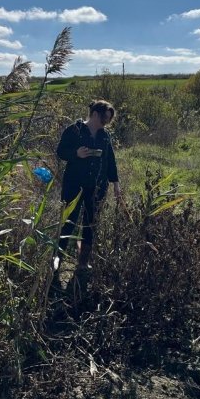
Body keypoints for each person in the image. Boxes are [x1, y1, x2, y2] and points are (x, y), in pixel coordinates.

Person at [54, 100, 121, 271]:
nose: (106, 123)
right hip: (73, 185)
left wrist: (115, 184)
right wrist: (76, 154)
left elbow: (110, 160)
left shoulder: (105, 136)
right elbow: (60, 151)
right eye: (104, 119)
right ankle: (57, 259)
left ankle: (83, 262)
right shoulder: (74, 130)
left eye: (109, 121)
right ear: (95, 114)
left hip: (97, 187)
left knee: (91, 223)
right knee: (68, 221)